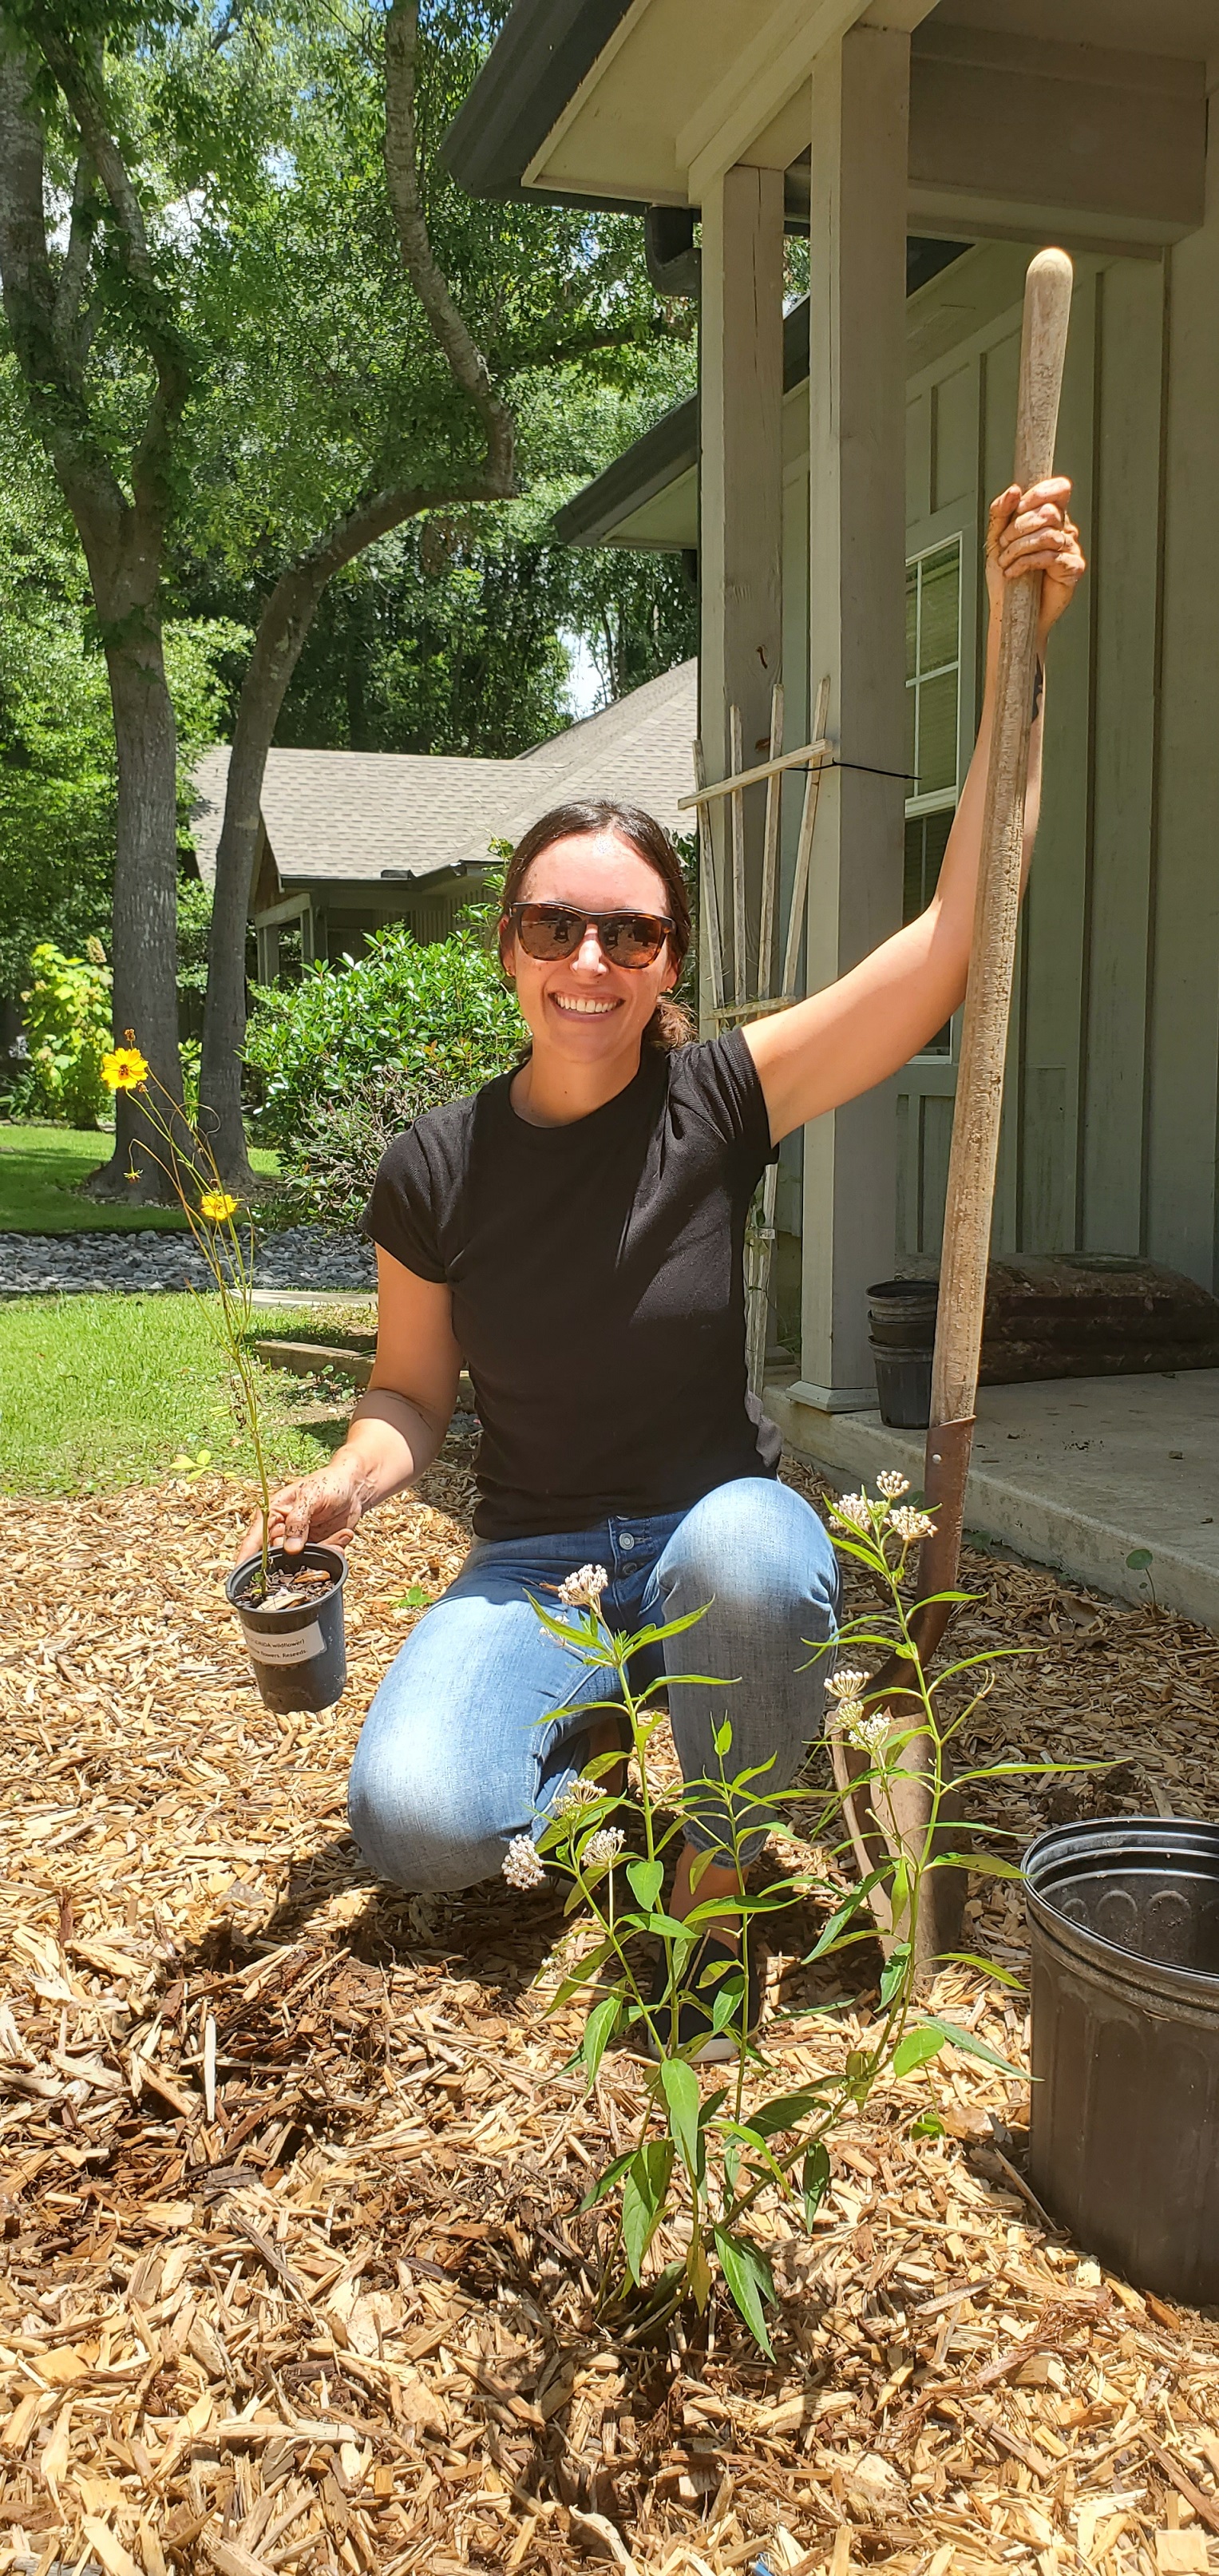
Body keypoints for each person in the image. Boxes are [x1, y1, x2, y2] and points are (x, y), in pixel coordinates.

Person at [241, 478, 1084, 2059]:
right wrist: (350, 1478)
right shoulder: (434, 1167)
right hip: (532, 1563)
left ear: (668, 961)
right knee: (414, 1825)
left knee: (753, 1564)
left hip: (714, 1528)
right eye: (555, 926)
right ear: (507, 944)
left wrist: (1007, 641)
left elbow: (950, 939)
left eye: (628, 935)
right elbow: (410, 1392)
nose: (590, 961)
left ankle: (714, 1859)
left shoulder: (721, 1098)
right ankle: (603, 1762)